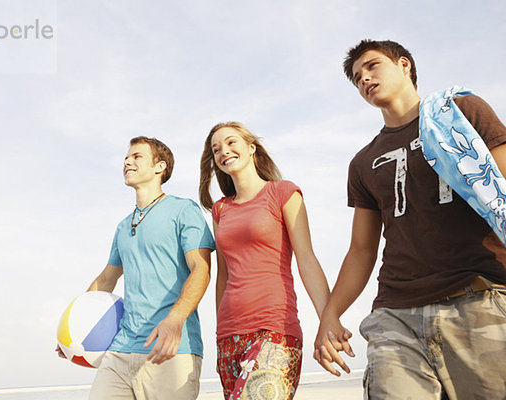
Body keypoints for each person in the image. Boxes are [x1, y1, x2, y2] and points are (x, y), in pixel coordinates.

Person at [314, 39, 506, 399]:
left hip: (478, 297)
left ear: (404, 65)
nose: (364, 79)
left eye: (372, 66)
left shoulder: (462, 112)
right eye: (356, 78)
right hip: (397, 311)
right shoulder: (363, 161)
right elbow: (361, 250)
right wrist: (330, 315)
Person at [58, 136, 215, 400]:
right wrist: (74, 330)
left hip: (170, 349)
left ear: (160, 166)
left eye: (137, 156)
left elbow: (201, 269)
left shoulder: (183, 210)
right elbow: (107, 278)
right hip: (121, 349)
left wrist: (175, 320)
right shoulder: (123, 226)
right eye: (126, 158)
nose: (127, 161)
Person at [199, 121, 332, 400]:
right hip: (229, 334)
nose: (224, 150)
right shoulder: (221, 209)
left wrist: (328, 319)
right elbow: (223, 276)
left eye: (231, 142)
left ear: (251, 147)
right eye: (216, 148)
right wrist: (219, 333)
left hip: (274, 329)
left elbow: (306, 259)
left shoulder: (283, 193)